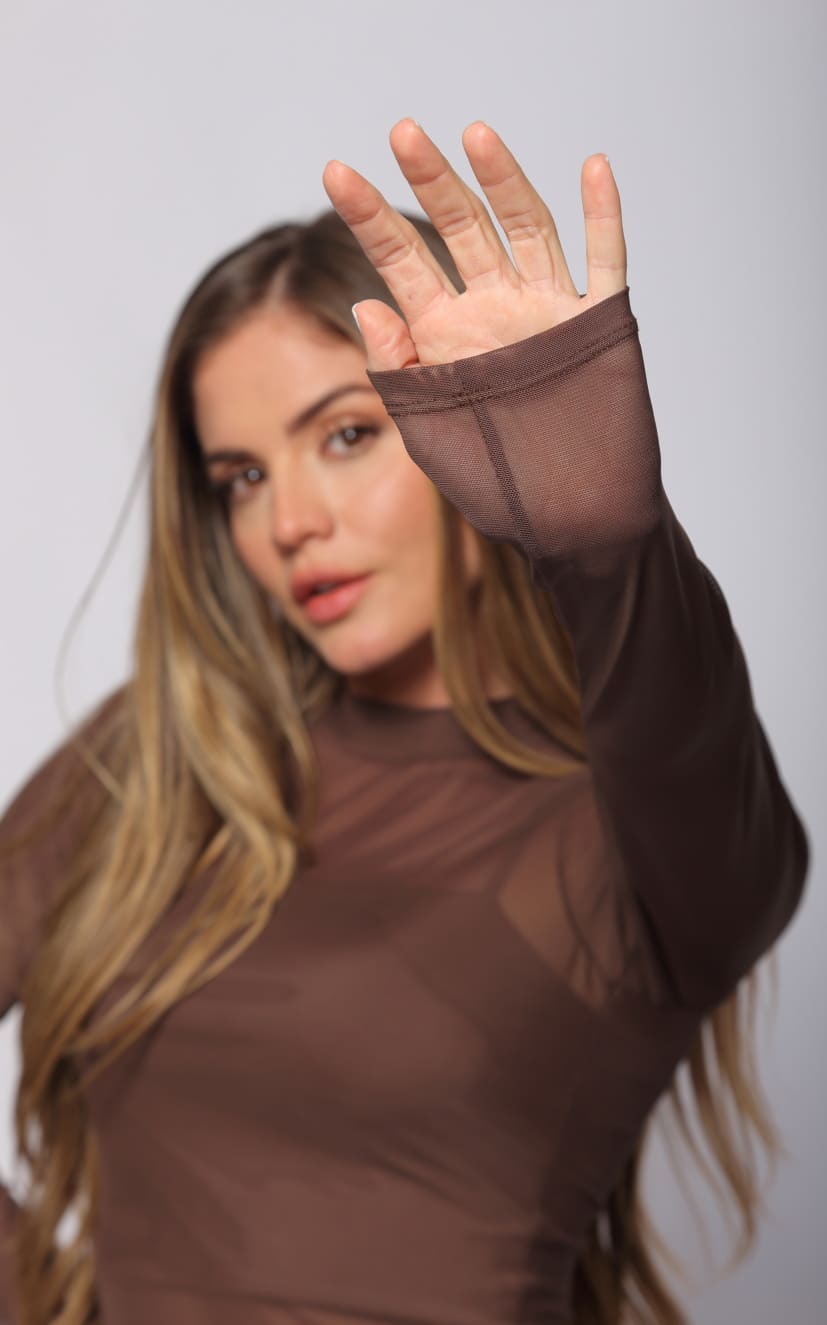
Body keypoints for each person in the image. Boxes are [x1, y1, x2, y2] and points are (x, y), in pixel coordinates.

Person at [0, 118, 810, 1325]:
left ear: (461, 433)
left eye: (346, 435)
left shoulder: (630, 828)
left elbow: (693, 744)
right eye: (241, 477)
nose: (290, 521)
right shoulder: (158, 764)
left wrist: (605, 541)